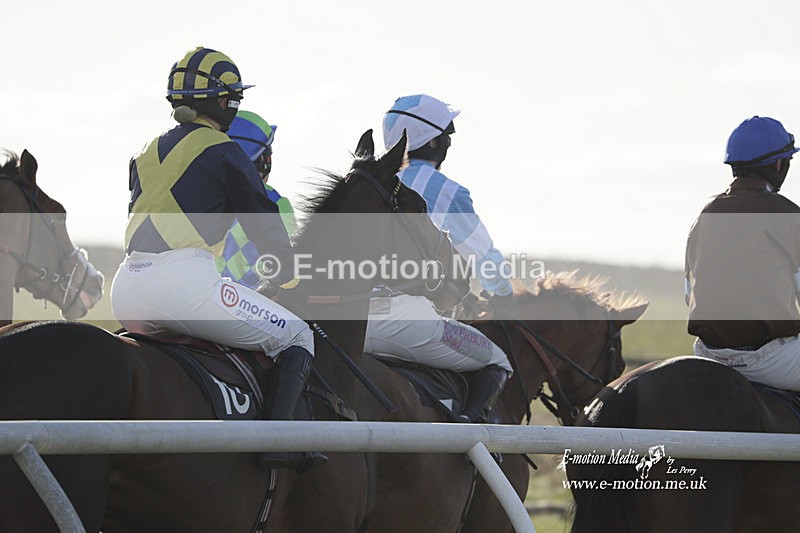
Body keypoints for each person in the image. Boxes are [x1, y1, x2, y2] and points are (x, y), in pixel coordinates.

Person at [110, 46, 325, 470]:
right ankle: (277, 443)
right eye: (234, 98)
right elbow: (263, 222)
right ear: (220, 101)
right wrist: (291, 280)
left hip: (125, 288)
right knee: (299, 336)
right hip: (183, 286)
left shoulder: (145, 151)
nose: (236, 105)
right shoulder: (225, 150)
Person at [364, 94, 513, 423]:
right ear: (433, 141)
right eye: (448, 134)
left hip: (344, 319)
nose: (449, 142)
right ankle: (470, 435)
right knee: (498, 361)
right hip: (411, 320)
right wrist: (502, 294)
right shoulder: (447, 191)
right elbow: (482, 254)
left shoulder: (365, 182)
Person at [686, 115, 800, 392]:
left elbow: (689, 293)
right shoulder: (788, 214)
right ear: (778, 164)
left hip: (707, 354)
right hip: (770, 360)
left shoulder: (704, 215)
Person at [216, 110, 297, 289]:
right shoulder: (275, 201)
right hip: (257, 304)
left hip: (208, 298)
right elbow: (287, 258)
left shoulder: (206, 195)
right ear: (263, 159)